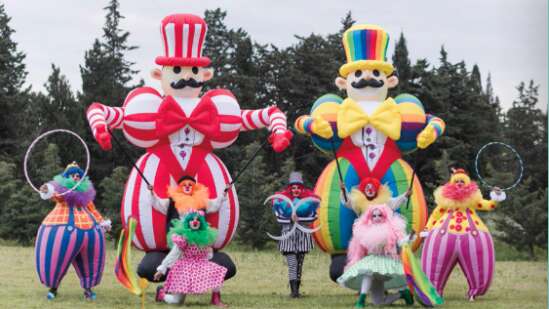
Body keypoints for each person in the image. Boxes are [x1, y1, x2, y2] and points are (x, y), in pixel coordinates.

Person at [85, 13, 293, 285]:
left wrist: (278, 129)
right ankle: (167, 262)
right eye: (178, 71)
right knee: (158, 227)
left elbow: (264, 114)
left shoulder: (215, 109)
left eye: (193, 71)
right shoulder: (149, 107)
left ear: (204, 74)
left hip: (205, 175)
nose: (186, 77)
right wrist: (99, 125)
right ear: (160, 75)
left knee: (212, 235)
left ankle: (198, 265)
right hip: (159, 171)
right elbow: (102, 110)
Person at [294, 23, 445, 281]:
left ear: (390, 80)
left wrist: (432, 129)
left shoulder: (399, 110)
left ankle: (394, 255)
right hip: (350, 165)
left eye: (376, 72)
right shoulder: (337, 111)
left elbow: (436, 120)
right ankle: (346, 256)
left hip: (390, 167)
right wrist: (310, 124)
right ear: (343, 82)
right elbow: (299, 122)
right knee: (345, 210)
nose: (367, 78)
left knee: (397, 212)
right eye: (359, 74)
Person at [420, 168, 506, 301]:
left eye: (462, 181)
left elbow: (488, 205)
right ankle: (434, 290)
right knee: (435, 266)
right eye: (457, 181)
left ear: (467, 184)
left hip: (473, 234)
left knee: (478, 265)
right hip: (443, 234)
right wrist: (427, 228)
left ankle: (475, 291)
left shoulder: (472, 201)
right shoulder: (446, 203)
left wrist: (495, 198)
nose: (459, 183)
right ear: (451, 183)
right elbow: (435, 215)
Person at [36, 162, 111, 300]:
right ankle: (53, 288)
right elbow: (56, 195)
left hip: (88, 228)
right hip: (61, 224)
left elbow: (92, 209)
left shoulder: (84, 195)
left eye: (78, 175)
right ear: (67, 176)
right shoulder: (62, 191)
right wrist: (47, 190)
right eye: (73, 175)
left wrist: (101, 222)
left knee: (89, 260)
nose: (76, 177)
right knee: (57, 259)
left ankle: (88, 289)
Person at [337, 204, 413, 307]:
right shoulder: (365, 229)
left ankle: (361, 300)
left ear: (384, 216)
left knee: (368, 272)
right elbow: (359, 249)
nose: (377, 218)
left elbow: (401, 241)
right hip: (373, 260)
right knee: (378, 302)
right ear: (370, 217)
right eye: (374, 216)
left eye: (379, 215)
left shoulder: (390, 228)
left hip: (387, 263)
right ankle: (402, 294)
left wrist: (410, 237)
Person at [154, 211, 227, 307]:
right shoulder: (183, 238)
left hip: (201, 264)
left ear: (201, 222)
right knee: (177, 301)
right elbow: (173, 254)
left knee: (216, 271)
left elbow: (208, 256)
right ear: (188, 222)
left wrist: (208, 251)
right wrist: (162, 268)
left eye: (197, 220)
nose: (195, 222)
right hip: (184, 269)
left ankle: (215, 299)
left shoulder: (204, 237)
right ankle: (161, 295)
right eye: (192, 220)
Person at [271, 172, 319, 298]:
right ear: (290, 189)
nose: (296, 190)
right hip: (288, 235)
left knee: (299, 264)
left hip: (303, 235)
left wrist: (301, 218)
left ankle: (296, 290)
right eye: (293, 188)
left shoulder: (308, 201)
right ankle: (294, 292)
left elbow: (314, 217)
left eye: (298, 187)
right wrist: (291, 219)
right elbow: (279, 219)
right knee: (292, 263)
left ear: (301, 188)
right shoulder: (282, 202)